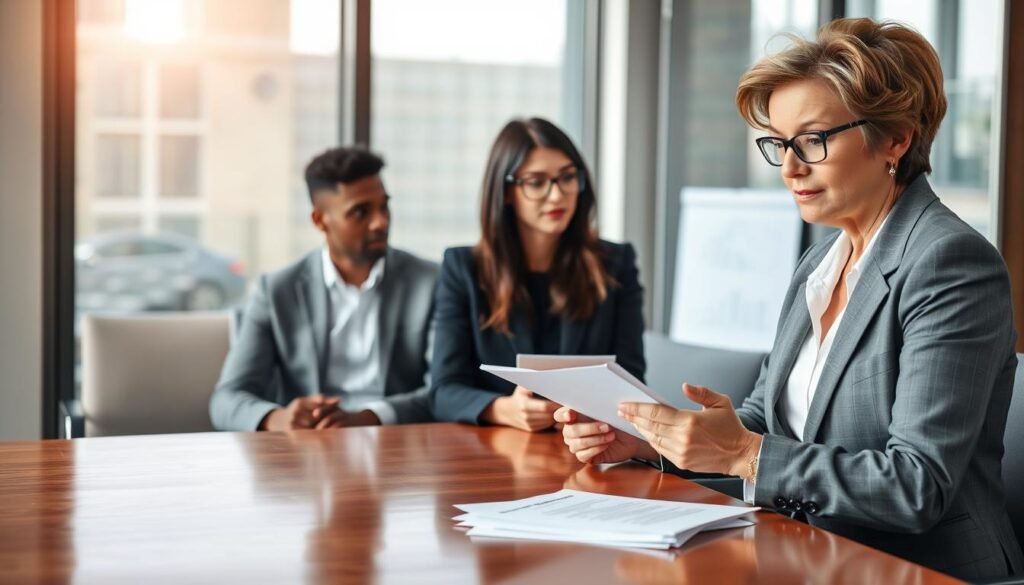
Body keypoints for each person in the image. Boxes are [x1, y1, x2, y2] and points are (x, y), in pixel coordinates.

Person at [558, 18, 1022, 580]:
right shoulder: (820, 262)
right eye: (780, 144)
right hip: (806, 554)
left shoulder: (950, 263)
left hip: (917, 571)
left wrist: (743, 454)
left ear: (895, 138)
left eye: (813, 140)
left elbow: (916, 485)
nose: (791, 168)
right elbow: (765, 423)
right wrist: (653, 443)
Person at [429, 117, 645, 431]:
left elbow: (631, 380)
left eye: (567, 177)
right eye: (536, 182)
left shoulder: (616, 263)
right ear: (505, 192)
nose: (557, 195)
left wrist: (587, 410)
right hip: (495, 453)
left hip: (587, 446)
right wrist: (503, 410)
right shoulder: (464, 268)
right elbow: (443, 391)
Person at [210, 146, 438, 432]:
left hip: (397, 446)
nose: (381, 221)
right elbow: (227, 399)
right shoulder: (277, 291)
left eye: (384, 206)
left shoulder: (431, 282)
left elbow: (443, 390)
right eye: (360, 212)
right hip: (308, 450)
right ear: (320, 220)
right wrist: (278, 419)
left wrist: (367, 418)